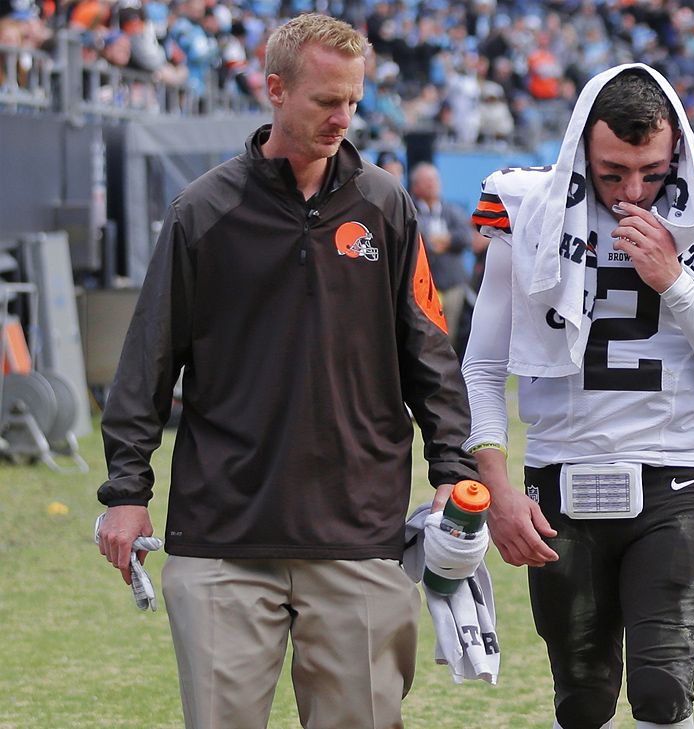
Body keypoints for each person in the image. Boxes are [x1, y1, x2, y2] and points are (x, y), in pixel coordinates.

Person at [94, 14, 477, 729]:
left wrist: (454, 467)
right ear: (275, 90)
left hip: (360, 535)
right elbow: (147, 357)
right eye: (326, 100)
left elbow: (429, 352)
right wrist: (126, 488)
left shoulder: (387, 206)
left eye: (354, 101)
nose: (344, 117)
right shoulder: (201, 212)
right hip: (224, 540)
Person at [462, 64, 694, 729]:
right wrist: (497, 488)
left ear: (677, 154)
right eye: (612, 173)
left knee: (662, 690)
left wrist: (676, 283)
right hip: (558, 477)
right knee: (582, 702)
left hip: (677, 477)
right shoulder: (527, 209)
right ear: (580, 154)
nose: (635, 192)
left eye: (653, 172)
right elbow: (482, 367)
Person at [410, 161, 474, 349]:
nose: (432, 184)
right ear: (415, 186)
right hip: (423, 288)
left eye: (434, 180)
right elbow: (418, 240)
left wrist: (444, 240)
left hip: (452, 286)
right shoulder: (411, 211)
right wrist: (435, 242)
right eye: (426, 181)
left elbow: (465, 236)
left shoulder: (452, 210)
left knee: (451, 336)